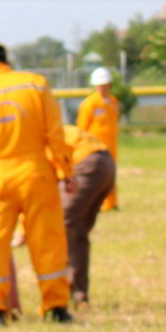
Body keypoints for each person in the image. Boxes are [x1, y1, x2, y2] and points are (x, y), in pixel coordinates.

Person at [0, 34, 75, 325]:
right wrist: (66, 170)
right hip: (37, 174)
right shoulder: (35, 84)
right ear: (5, 59)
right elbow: (55, 134)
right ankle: (55, 306)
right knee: (48, 241)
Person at [60, 118, 115, 308]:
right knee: (77, 229)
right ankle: (78, 293)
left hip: (87, 164)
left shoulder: (40, 140)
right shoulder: (62, 130)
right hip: (106, 164)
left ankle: (67, 291)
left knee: (65, 225)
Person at [76, 67, 122, 212]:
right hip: (94, 149)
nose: (103, 88)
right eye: (100, 85)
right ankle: (92, 204)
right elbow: (81, 128)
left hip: (111, 146)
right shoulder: (89, 104)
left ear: (110, 85)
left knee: (110, 175)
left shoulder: (113, 101)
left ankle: (111, 204)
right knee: (94, 178)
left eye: (105, 84)